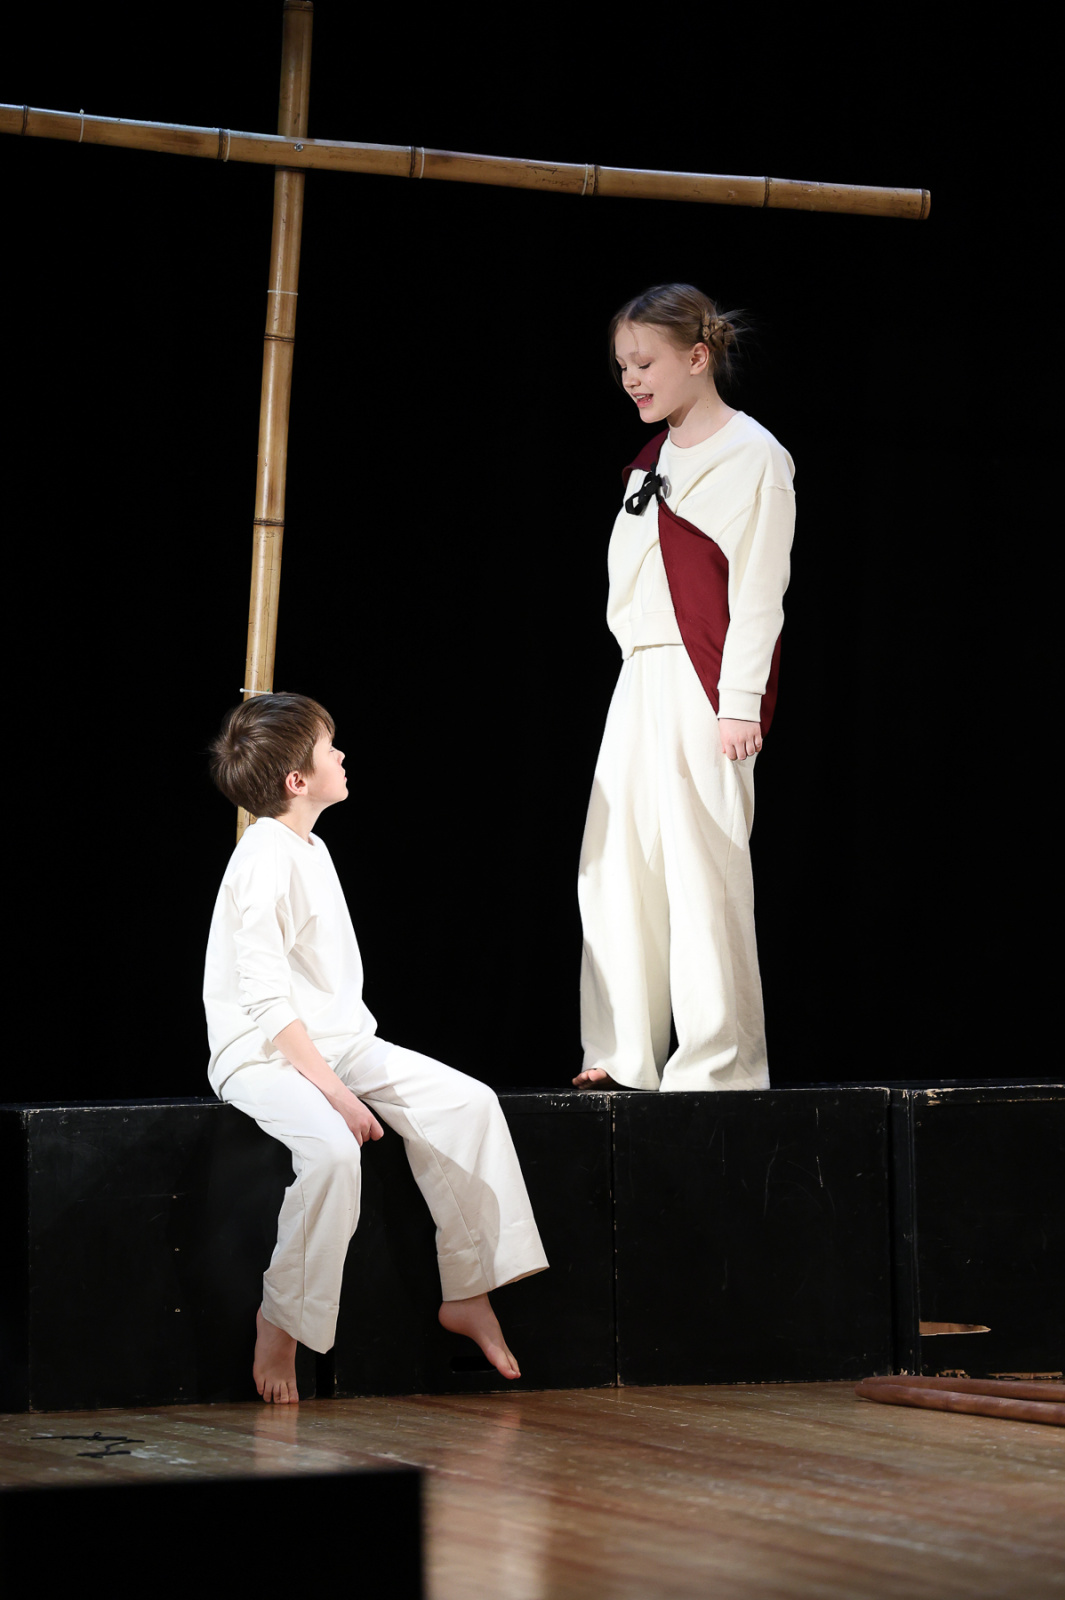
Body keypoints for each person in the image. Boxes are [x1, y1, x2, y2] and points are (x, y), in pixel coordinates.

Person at [205, 691, 548, 1402]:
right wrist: (337, 1096)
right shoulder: (263, 857)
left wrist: (343, 1071)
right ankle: (281, 1319)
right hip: (264, 1056)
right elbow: (265, 1003)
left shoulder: (311, 847)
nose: (341, 755)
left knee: (469, 1104)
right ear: (297, 780)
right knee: (333, 1154)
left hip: (338, 1043)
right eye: (328, 748)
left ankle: (469, 1291)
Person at [573, 283, 795, 1095]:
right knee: (614, 864)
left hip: (705, 680)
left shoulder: (755, 456)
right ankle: (623, 1051)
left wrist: (738, 700)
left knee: (701, 870)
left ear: (697, 357)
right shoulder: (649, 462)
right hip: (639, 674)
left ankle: (717, 1062)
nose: (631, 379)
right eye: (622, 366)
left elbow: (759, 590)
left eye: (644, 362)